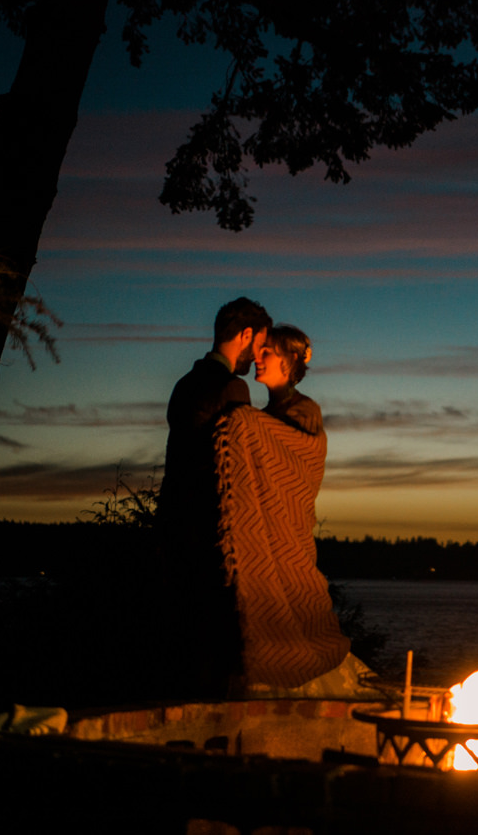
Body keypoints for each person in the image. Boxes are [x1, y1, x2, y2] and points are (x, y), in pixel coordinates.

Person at [214, 323, 367, 694]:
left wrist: (244, 423)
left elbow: (299, 461)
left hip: (289, 534)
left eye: (268, 353)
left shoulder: (303, 410)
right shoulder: (266, 412)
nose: (258, 358)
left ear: (291, 360)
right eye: (260, 351)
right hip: (266, 526)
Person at [155, 296, 273, 697]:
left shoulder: (184, 384)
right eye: (260, 345)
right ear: (244, 335)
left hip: (172, 527)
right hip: (211, 535)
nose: (259, 356)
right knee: (214, 652)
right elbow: (238, 470)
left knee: (179, 643)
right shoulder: (233, 388)